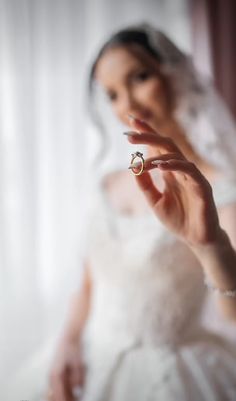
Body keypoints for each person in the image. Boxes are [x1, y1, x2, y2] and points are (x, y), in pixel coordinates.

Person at [47, 23, 236, 401]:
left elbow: (232, 313)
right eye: (112, 94)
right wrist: (67, 343)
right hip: (92, 363)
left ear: (175, 75)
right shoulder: (107, 185)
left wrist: (209, 246)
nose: (128, 105)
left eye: (140, 77)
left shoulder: (221, 188)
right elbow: (88, 285)